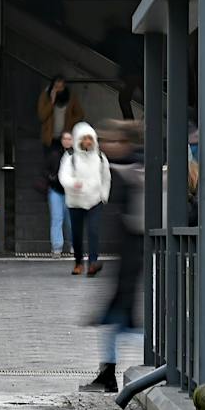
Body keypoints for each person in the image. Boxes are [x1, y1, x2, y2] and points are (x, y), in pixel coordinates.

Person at [82, 121, 145, 393]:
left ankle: (109, 374)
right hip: (128, 255)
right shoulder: (125, 169)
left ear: (126, 143)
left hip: (135, 255)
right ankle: (107, 374)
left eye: (112, 140)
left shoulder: (136, 170)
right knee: (117, 323)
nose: (106, 145)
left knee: (125, 323)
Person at [59, 121, 110, 276]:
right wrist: (74, 184)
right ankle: (78, 262)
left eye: (90, 138)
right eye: (84, 138)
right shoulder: (70, 157)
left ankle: (93, 262)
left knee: (93, 231)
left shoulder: (100, 157)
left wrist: (103, 196)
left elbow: (106, 177)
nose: (87, 142)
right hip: (75, 201)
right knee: (77, 233)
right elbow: (63, 176)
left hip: (94, 200)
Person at [45, 128, 74, 257]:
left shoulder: (77, 156)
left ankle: (74, 245)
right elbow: (45, 170)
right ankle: (57, 248)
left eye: (69, 139)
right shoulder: (54, 154)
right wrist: (52, 177)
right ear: (61, 140)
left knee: (71, 221)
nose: (67, 141)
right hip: (56, 190)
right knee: (57, 218)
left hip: (71, 192)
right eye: (65, 139)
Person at [37, 78, 85, 155]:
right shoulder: (45, 96)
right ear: (52, 87)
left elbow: (80, 114)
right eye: (56, 87)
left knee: (64, 160)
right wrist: (52, 102)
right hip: (49, 137)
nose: (58, 90)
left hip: (65, 137)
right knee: (50, 161)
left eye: (61, 87)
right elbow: (42, 116)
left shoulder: (71, 97)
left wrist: (70, 121)